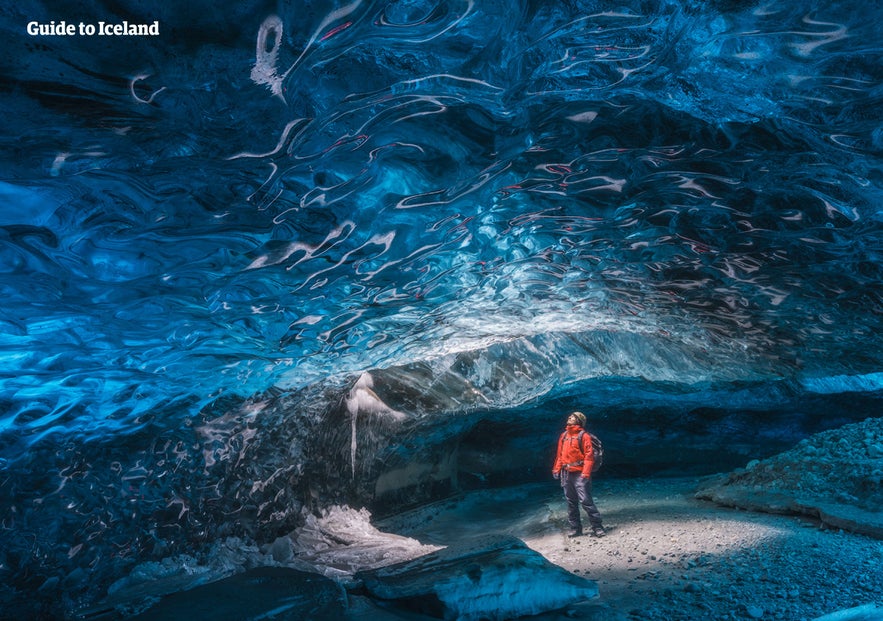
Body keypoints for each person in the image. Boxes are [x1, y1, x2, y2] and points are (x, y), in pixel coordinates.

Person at [552, 411, 605, 538]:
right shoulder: (564, 435)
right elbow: (560, 454)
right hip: (566, 473)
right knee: (571, 502)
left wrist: (585, 473)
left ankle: (597, 527)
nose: (569, 417)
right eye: (569, 416)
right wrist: (556, 469)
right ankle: (575, 528)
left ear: (579, 421)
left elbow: (589, 456)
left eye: (573, 417)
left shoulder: (584, 436)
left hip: (580, 473)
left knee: (586, 501)